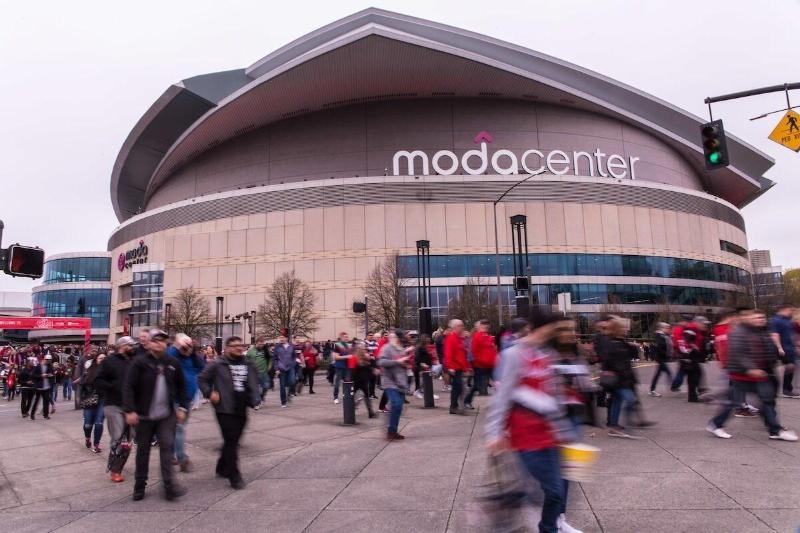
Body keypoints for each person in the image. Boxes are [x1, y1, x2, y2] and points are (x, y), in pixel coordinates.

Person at [486, 309, 582, 533]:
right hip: (526, 435)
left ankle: (545, 524)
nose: (557, 333)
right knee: (552, 490)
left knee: (554, 488)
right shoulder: (513, 355)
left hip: (549, 434)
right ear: (542, 328)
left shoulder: (547, 354)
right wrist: (494, 432)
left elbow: (552, 396)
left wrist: (564, 430)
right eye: (554, 329)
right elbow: (503, 397)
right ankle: (543, 526)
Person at [707, 308, 798, 441]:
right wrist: (750, 368)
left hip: (760, 374)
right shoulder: (738, 332)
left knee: (766, 402)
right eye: (755, 318)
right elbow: (738, 353)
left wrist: (781, 362)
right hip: (741, 375)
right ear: (747, 319)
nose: (760, 320)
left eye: (762, 317)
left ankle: (775, 430)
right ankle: (715, 424)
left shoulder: (764, 331)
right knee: (734, 402)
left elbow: (769, 350)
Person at [123, 328, 188, 501]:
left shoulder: (172, 362)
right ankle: (139, 486)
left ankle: (169, 486)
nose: (160, 343)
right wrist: (129, 410)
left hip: (166, 415)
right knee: (143, 451)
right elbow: (128, 387)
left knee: (167, 448)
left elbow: (182, 387)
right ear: (149, 343)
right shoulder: (139, 363)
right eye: (156, 340)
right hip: (143, 416)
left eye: (163, 340)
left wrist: (183, 407)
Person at [198, 336, 261, 489]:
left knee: (232, 440)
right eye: (234, 346)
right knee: (232, 440)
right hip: (224, 407)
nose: (238, 348)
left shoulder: (248, 363)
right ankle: (234, 475)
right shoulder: (218, 364)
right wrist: (210, 393)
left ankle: (221, 465)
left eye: (240, 345)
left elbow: (254, 380)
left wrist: (255, 396)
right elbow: (202, 379)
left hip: (241, 405)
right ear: (226, 348)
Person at [95, 336, 136, 482]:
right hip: (113, 404)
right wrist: (113, 387)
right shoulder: (109, 361)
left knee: (128, 440)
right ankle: (115, 469)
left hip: (130, 406)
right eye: (130, 346)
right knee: (118, 437)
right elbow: (98, 379)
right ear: (122, 346)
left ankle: (118, 464)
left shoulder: (133, 361)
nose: (133, 348)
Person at [169, 333, 204, 472]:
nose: (186, 349)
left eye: (189, 346)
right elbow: (168, 356)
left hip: (187, 398)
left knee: (177, 428)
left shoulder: (192, 359)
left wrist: (192, 351)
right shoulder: (173, 355)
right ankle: (182, 457)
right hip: (174, 398)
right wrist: (178, 346)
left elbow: (202, 366)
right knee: (179, 428)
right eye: (185, 346)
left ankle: (171, 454)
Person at [378, 331, 410, 440]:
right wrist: (398, 361)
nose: (398, 339)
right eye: (396, 337)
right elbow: (381, 362)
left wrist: (406, 362)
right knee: (396, 403)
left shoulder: (401, 348)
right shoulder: (387, 348)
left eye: (398, 337)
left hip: (400, 382)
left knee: (398, 407)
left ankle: (392, 430)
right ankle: (390, 430)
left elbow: (403, 364)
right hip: (389, 382)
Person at [444, 319, 476, 414]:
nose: (462, 327)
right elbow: (449, 353)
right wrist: (450, 367)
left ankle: (456, 406)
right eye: (460, 326)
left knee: (458, 388)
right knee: (457, 388)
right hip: (455, 367)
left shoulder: (458, 338)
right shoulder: (451, 338)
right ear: (455, 327)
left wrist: (467, 367)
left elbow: (462, 353)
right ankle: (454, 407)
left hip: (458, 367)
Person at [769, 305, 800, 399]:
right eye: (789, 310)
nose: (791, 312)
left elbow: (792, 335)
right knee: (791, 366)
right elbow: (775, 334)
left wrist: (796, 345)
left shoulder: (787, 320)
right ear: (783, 309)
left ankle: (786, 388)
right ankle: (785, 389)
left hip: (790, 347)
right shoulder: (776, 320)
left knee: (792, 366)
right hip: (784, 348)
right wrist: (779, 347)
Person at [80, 352, 106, 453]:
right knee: (88, 425)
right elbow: (82, 384)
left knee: (99, 423)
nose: (103, 360)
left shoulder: (109, 372)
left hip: (103, 400)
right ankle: (87, 438)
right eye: (101, 358)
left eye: (105, 358)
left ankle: (96, 444)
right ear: (96, 360)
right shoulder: (89, 371)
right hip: (90, 399)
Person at [471, 319, 497, 396]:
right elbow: (474, 350)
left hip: (490, 364)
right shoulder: (477, 336)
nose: (486, 326)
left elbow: (493, 349)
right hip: (481, 365)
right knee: (482, 388)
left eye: (487, 324)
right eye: (484, 324)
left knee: (496, 380)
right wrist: (479, 360)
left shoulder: (489, 336)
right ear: (479, 326)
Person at [352, 343, 377, 418]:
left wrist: (373, 368)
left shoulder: (365, 358)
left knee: (367, 396)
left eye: (364, 349)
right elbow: (353, 370)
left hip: (364, 381)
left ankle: (370, 412)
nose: (365, 350)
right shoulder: (355, 358)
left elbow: (368, 367)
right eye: (363, 349)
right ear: (359, 350)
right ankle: (351, 410)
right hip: (356, 381)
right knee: (353, 397)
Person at [649, 323, 673, 396]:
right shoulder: (659, 336)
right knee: (668, 373)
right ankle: (674, 386)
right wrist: (665, 354)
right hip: (661, 358)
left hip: (661, 358)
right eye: (666, 328)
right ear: (661, 328)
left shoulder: (662, 336)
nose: (668, 329)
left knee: (658, 374)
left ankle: (652, 390)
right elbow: (660, 347)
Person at [273, 334, 296, 408]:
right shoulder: (277, 347)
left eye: (282, 337)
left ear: (286, 338)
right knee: (282, 386)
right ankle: (283, 402)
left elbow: (294, 356)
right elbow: (275, 359)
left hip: (290, 367)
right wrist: (276, 368)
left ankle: (289, 394)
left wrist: (293, 363)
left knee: (292, 381)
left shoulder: (291, 346)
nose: (281, 339)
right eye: (280, 337)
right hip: (281, 368)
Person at [30, 354, 56, 420]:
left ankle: (46, 415)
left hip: (46, 386)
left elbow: (52, 374)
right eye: (48, 360)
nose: (49, 362)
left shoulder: (49, 366)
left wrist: (50, 376)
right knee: (36, 401)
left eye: (50, 361)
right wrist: (41, 376)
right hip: (39, 387)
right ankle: (32, 414)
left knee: (46, 401)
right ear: (45, 359)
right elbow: (33, 376)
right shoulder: (38, 366)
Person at [246, 336, 271, 400]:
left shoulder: (265, 350)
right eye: (260, 344)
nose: (261, 346)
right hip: (255, 372)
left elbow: (270, 358)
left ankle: (262, 395)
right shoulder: (250, 351)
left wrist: (269, 366)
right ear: (256, 343)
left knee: (266, 386)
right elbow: (246, 360)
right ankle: (257, 400)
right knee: (256, 387)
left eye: (262, 344)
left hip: (264, 372)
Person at [332, 332, 352, 404]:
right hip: (340, 367)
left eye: (347, 337)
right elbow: (336, 357)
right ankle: (335, 397)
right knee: (337, 383)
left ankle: (346, 396)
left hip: (348, 367)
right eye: (345, 337)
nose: (346, 338)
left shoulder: (350, 345)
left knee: (348, 382)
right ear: (341, 338)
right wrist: (347, 357)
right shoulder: (337, 345)